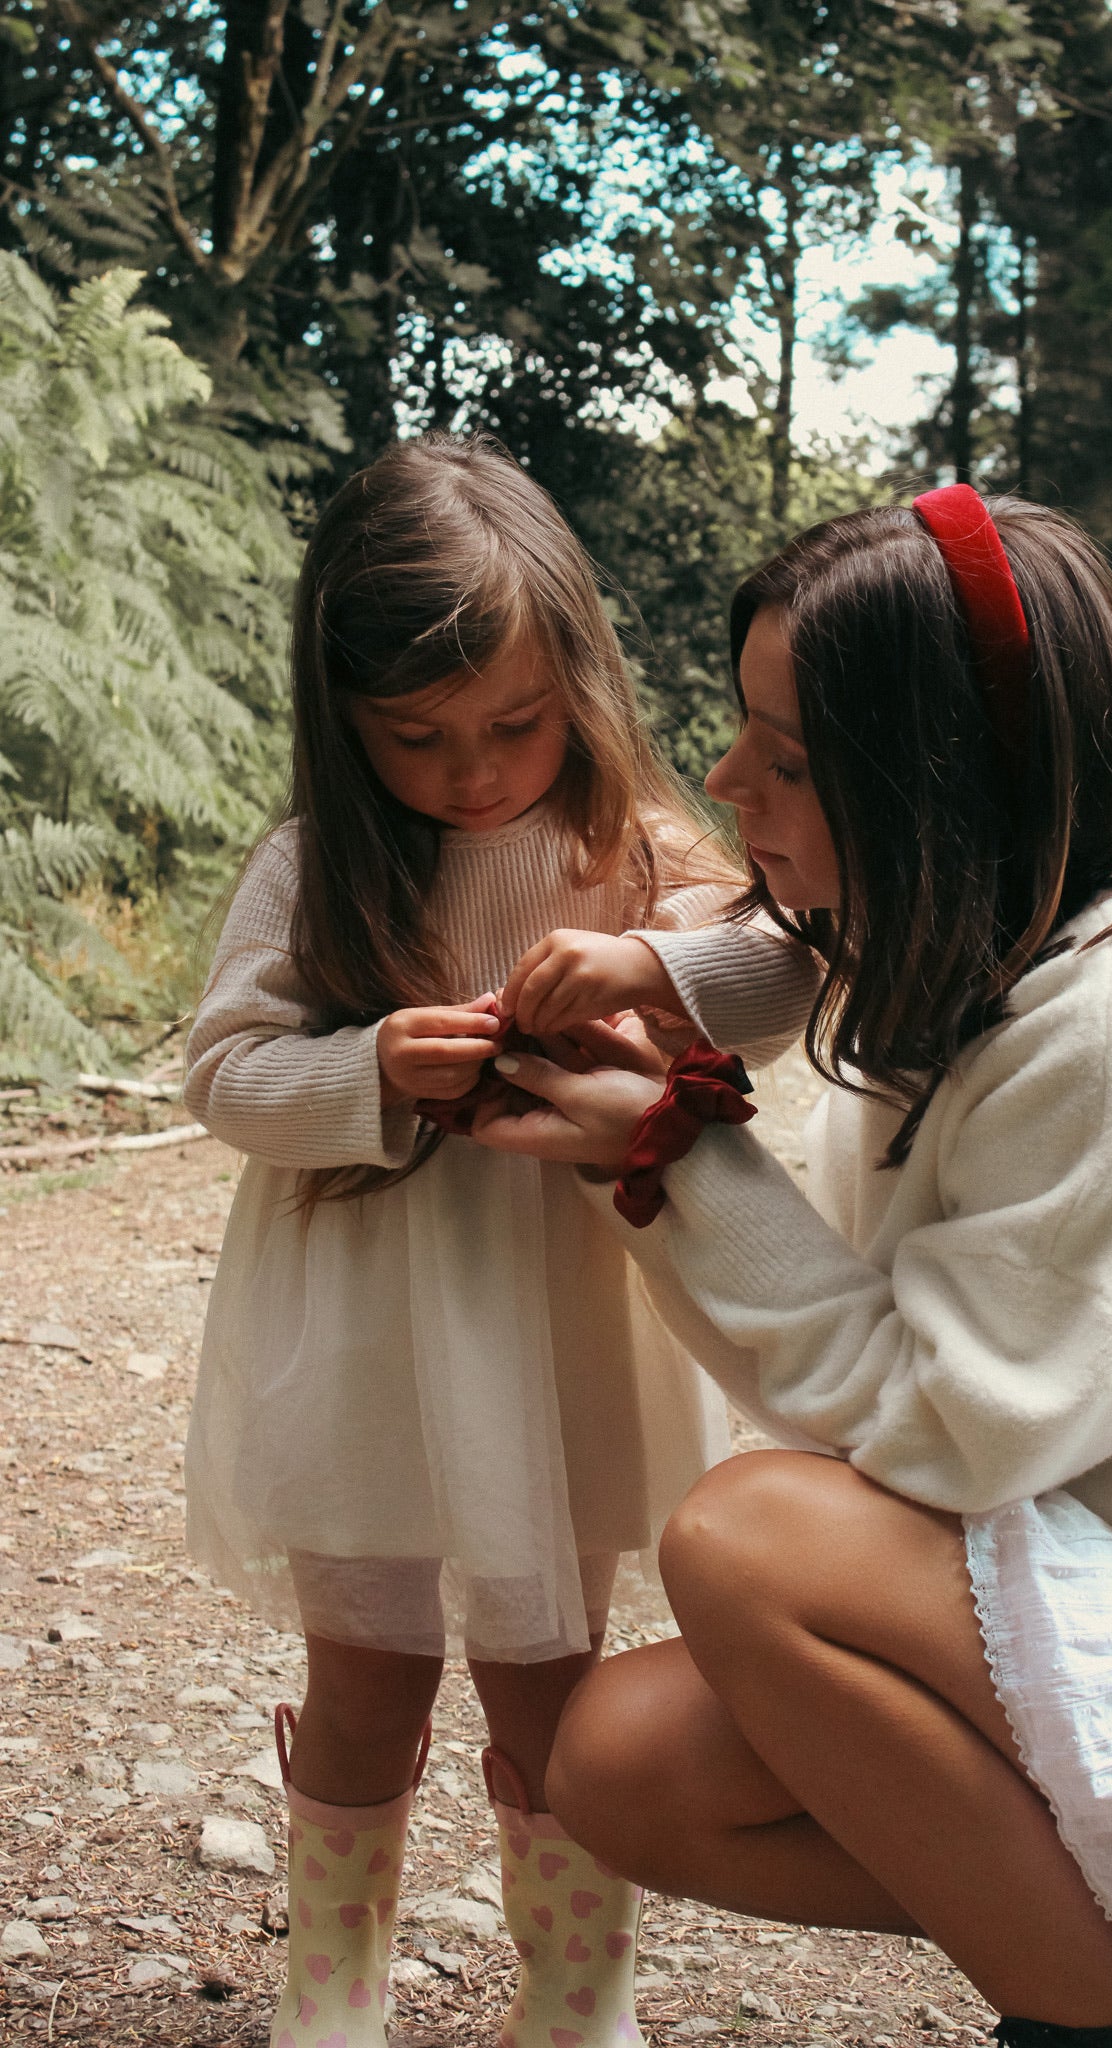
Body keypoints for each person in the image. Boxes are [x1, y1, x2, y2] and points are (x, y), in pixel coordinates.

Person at [468, 488, 1112, 2048]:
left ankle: (1102, 2025)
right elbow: (812, 949)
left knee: (755, 1541)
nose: (728, 779)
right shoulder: (1024, 923)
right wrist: (658, 974)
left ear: (942, 787)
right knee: (619, 1763)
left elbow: (947, 1431)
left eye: (795, 760)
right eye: (743, 730)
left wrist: (668, 1154)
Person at [181, 433, 818, 2048]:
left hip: (557, 1331)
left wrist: (642, 971)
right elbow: (225, 1070)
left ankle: (573, 2001)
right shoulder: (317, 866)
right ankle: (330, 1999)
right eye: (418, 738)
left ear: (581, 686)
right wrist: (368, 1068)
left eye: (515, 726)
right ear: (345, 725)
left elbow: (790, 970)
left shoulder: (637, 854)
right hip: (372, 1326)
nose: (473, 773)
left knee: (552, 1678)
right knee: (367, 1668)